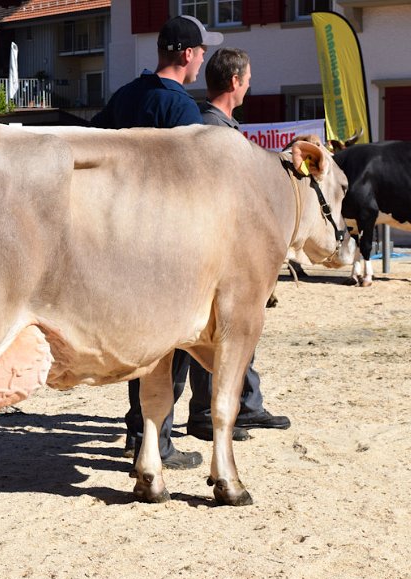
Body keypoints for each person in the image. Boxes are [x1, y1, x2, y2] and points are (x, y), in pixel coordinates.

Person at [91, 14, 222, 469]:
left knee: (139, 342)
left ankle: (135, 432)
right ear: (186, 53)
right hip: (166, 240)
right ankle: (158, 443)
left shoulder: (125, 95)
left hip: (118, 235)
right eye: (202, 51)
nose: (204, 58)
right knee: (174, 346)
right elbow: (194, 185)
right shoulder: (183, 109)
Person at [186, 48, 290, 442]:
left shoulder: (216, 126)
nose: (249, 86)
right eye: (247, 79)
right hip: (216, 250)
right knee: (214, 332)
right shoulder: (214, 132)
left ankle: (244, 404)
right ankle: (212, 411)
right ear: (234, 82)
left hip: (220, 248)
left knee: (228, 330)